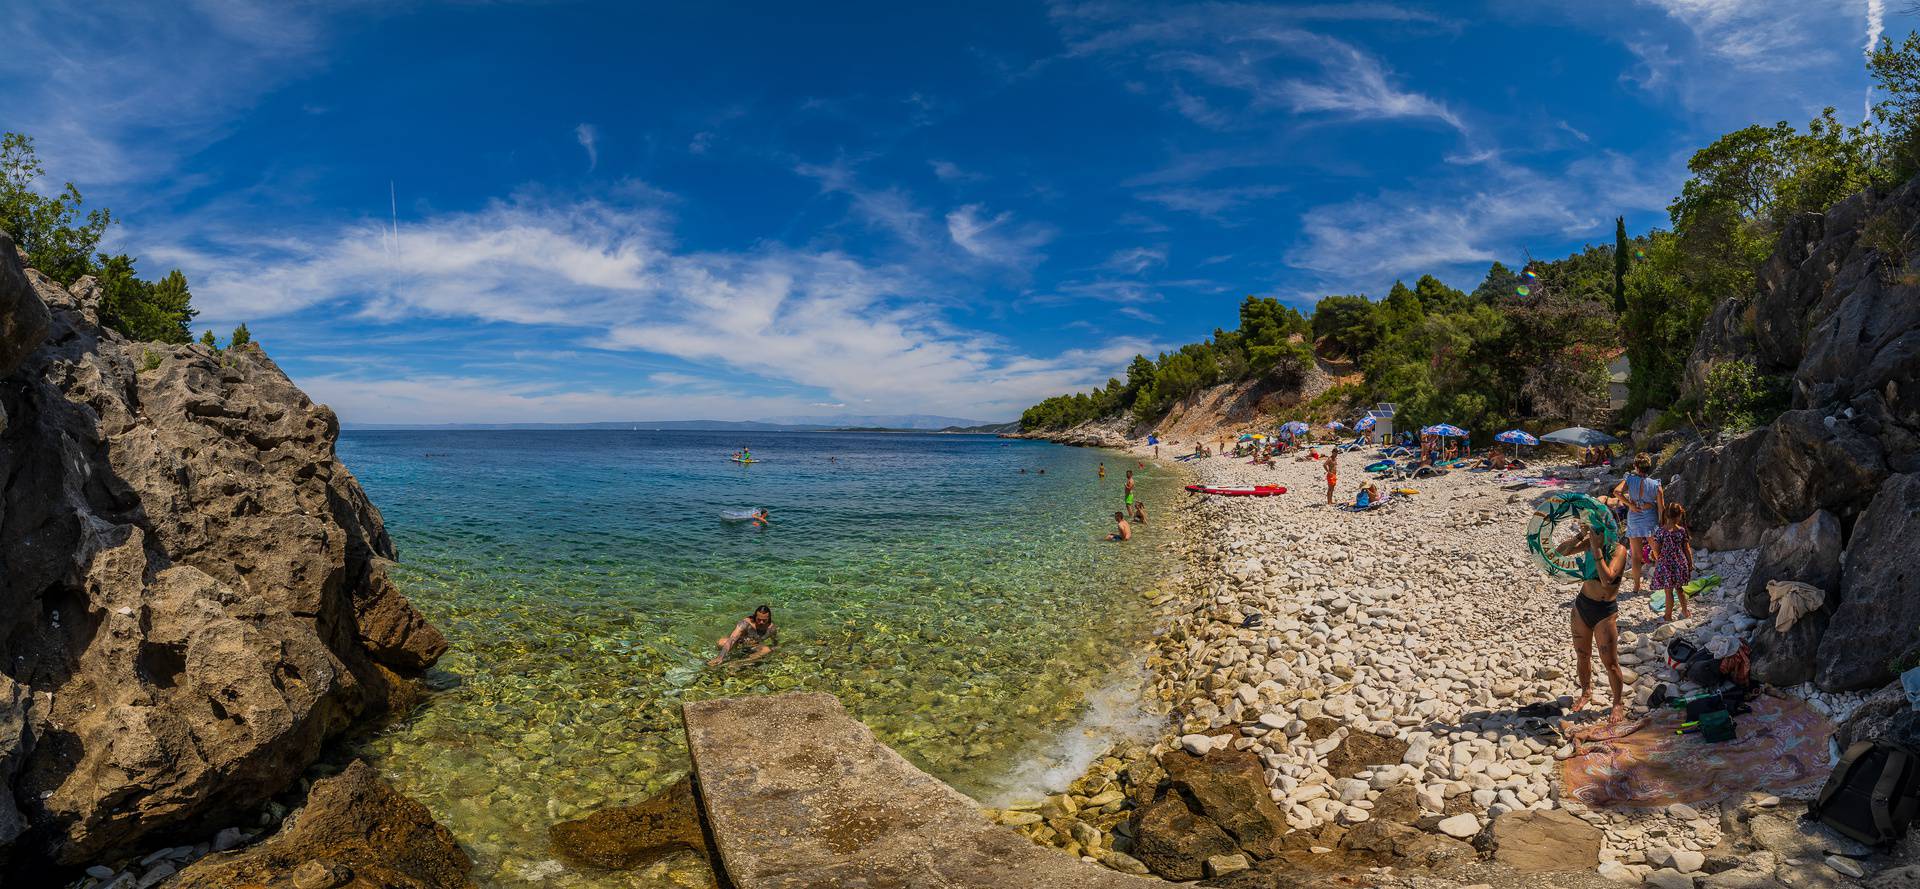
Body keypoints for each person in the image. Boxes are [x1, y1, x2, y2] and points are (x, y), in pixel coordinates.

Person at [1556, 524, 1631, 722]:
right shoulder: (1590, 543)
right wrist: (1581, 536)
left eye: (1600, 529)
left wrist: (1597, 549)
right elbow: (1560, 552)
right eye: (1594, 529)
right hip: (1582, 606)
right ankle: (1586, 691)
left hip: (1604, 612)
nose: (1596, 533)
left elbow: (1607, 579)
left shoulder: (1619, 551)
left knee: (1611, 663)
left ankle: (1617, 703)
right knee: (1582, 655)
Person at [1612, 453, 1665, 594]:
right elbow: (1661, 508)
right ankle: (1658, 583)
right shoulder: (1656, 484)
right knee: (1658, 553)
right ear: (1649, 467)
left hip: (1634, 518)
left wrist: (1630, 505)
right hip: (1650, 519)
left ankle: (1636, 586)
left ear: (1635, 466)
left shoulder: (1629, 479)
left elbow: (1617, 492)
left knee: (1636, 556)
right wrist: (1661, 524)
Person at [1649, 502, 1695, 621]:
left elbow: (1656, 550)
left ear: (1666, 515)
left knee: (1668, 592)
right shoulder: (1681, 531)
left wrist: (1656, 559)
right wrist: (1690, 563)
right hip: (1680, 563)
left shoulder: (1660, 532)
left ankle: (1668, 616)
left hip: (1666, 565)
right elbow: (1686, 549)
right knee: (1679, 589)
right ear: (1679, 515)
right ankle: (1685, 612)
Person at [708, 605, 778, 665]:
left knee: (767, 650)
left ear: (769, 618)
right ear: (755, 617)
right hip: (739, 644)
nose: (761, 622)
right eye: (759, 619)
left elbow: (775, 643)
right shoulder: (745, 624)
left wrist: (776, 652)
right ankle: (717, 658)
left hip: (753, 647)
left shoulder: (771, 629)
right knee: (721, 642)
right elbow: (732, 639)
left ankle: (739, 662)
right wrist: (720, 657)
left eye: (764, 620)